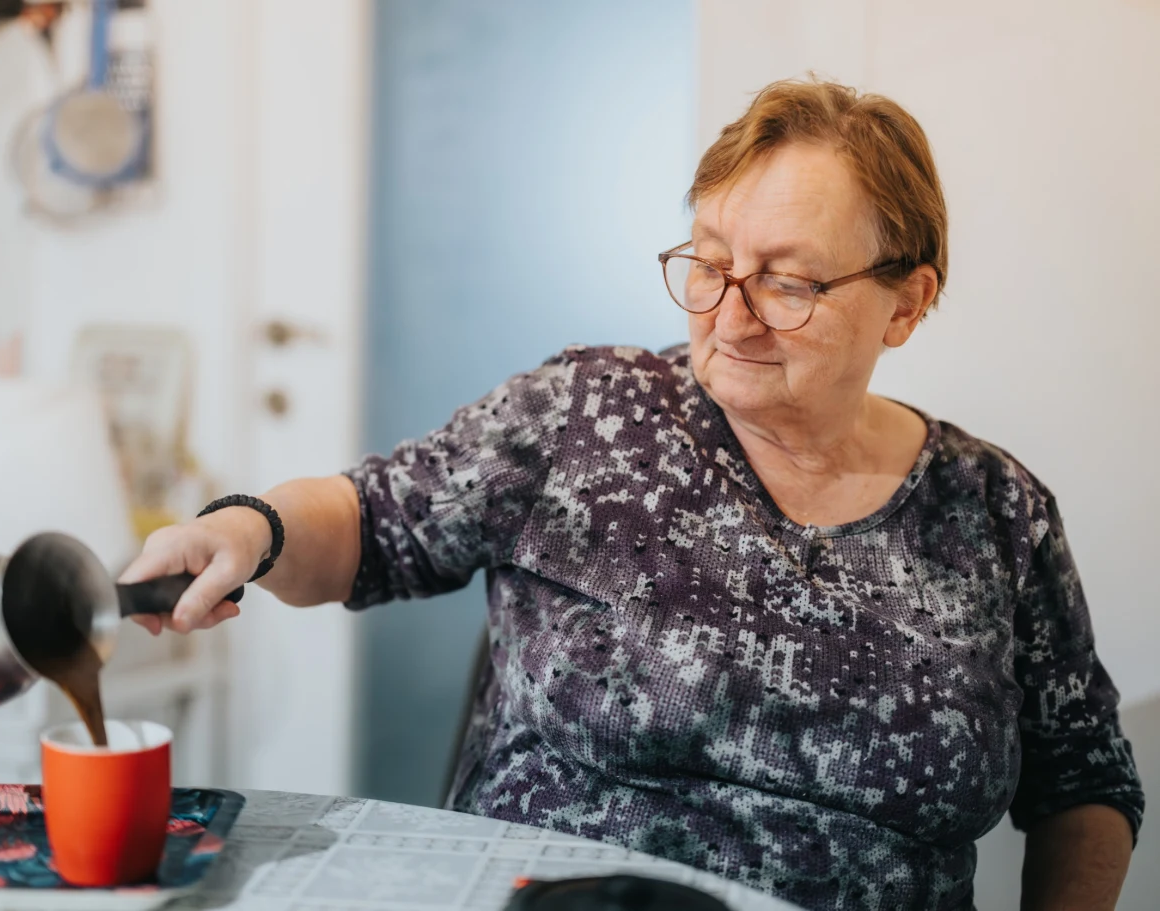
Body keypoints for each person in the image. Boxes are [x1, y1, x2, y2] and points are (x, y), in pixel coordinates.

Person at [121, 79, 1143, 910]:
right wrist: (248, 526)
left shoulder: (992, 508)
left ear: (905, 301)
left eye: (787, 283)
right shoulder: (589, 411)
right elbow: (372, 518)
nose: (729, 315)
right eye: (708, 263)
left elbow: (1083, 778)